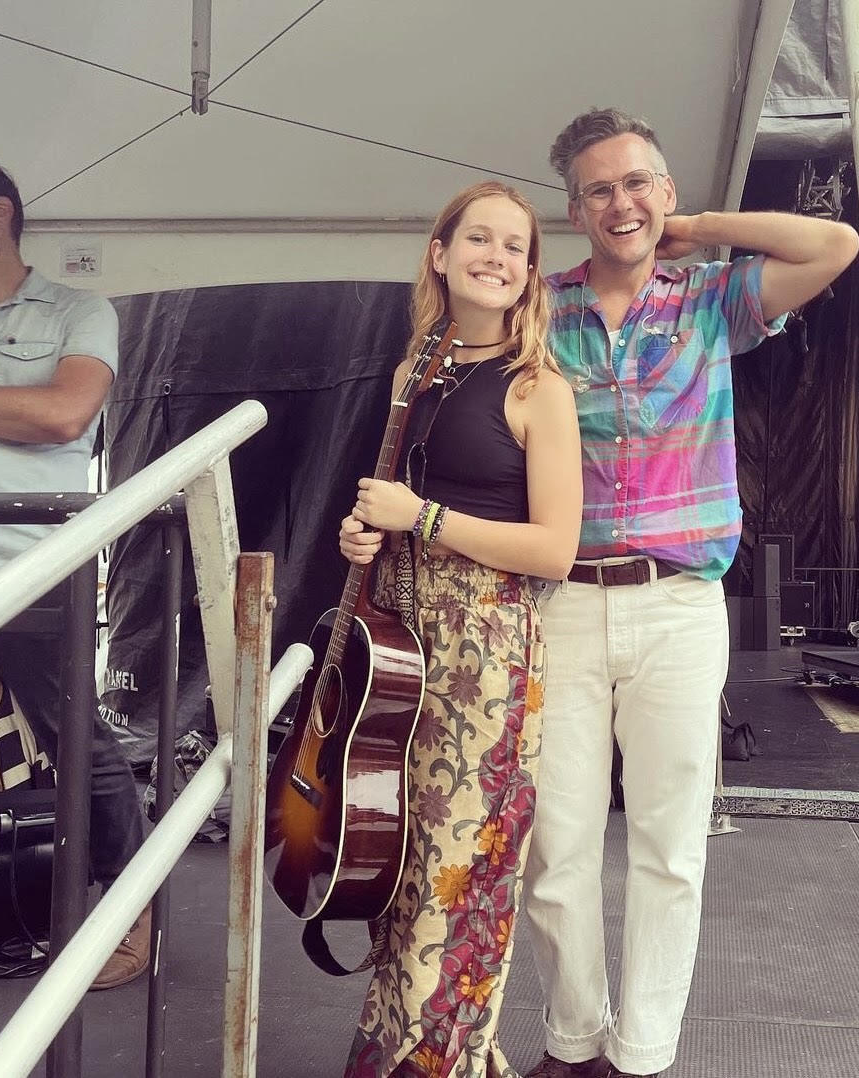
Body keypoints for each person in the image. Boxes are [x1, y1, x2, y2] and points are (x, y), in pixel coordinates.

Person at [521, 109, 859, 1078]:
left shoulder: (711, 299)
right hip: (566, 603)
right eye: (599, 188)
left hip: (678, 605)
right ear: (575, 206)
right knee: (558, 847)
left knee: (671, 844)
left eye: (638, 182)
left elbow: (835, 245)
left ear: (664, 192)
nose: (620, 201)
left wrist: (705, 228)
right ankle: (573, 1042)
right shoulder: (540, 313)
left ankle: (644, 1054)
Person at [338, 180, 583, 1078]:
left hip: (486, 655)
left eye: (515, 246)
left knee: (463, 860)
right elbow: (389, 509)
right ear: (439, 255)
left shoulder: (538, 389)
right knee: (402, 855)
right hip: (401, 646)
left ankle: (437, 1059)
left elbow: (555, 549)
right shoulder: (414, 373)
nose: (496, 256)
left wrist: (424, 518)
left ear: (529, 273)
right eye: (477, 239)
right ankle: (408, 1047)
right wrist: (364, 530)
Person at [0, 152, 148, 988]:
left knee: (74, 736)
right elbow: (30, 412)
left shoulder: (80, 310)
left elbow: (63, 411)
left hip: (34, 562)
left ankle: (130, 914)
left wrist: (18, 413)